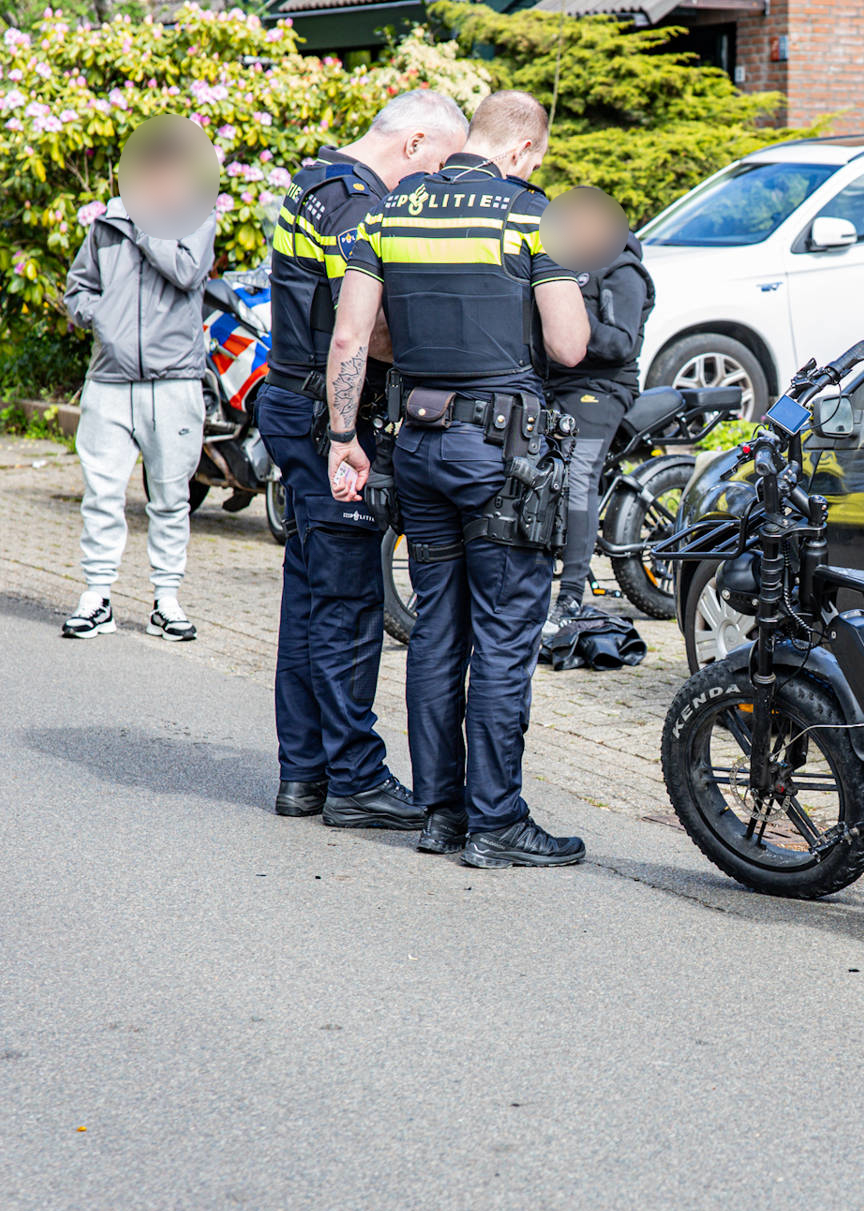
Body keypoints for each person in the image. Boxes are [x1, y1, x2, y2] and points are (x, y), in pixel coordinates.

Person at [323, 91, 592, 867]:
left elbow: (353, 335)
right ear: (523, 152)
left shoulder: (391, 212)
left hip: (417, 447)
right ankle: (497, 821)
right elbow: (569, 345)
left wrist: (345, 436)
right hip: (501, 457)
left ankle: (440, 814)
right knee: (504, 637)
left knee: (436, 631)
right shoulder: (530, 215)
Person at [256, 90, 467, 829]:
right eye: (440, 164)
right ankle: (354, 778)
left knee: (309, 598)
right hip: (326, 419)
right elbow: (360, 329)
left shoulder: (314, 182)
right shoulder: (360, 207)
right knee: (348, 604)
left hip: (289, 399)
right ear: (413, 143)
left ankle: (303, 774)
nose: (438, 184)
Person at [61, 125, 217, 642]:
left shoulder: (196, 222)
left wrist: (146, 229)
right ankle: (96, 595)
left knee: (171, 498)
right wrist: (99, 314)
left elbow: (187, 273)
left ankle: (166, 600)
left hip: (175, 382)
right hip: (109, 379)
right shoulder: (105, 226)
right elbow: (77, 289)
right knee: (101, 493)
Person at [546, 225, 654, 624]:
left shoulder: (622, 270)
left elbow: (620, 343)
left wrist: (571, 311)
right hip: (549, 380)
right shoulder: (555, 262)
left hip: (601, 386)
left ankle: (570, 597)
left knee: (577, 474)